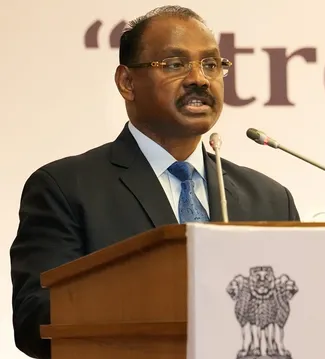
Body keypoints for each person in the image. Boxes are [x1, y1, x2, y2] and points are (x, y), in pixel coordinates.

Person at [10, 5, 300, 359]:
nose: (200, 79)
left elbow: (299, 318)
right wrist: (159, 295)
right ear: (127, 82)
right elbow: (34, 322)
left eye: (211, 65)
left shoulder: (269, 199)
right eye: (175, 65)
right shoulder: (65, 188)